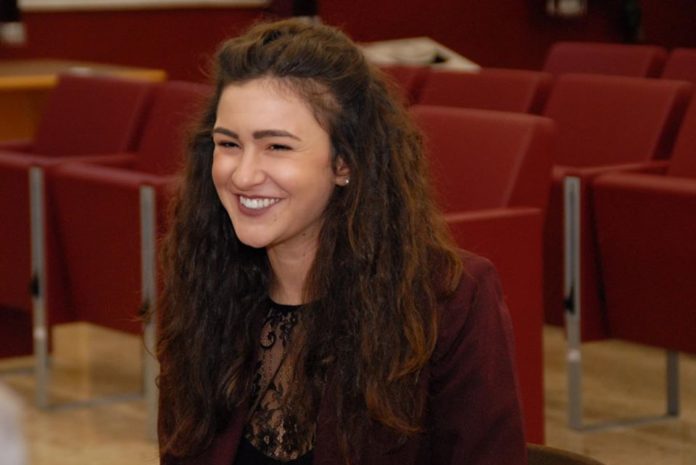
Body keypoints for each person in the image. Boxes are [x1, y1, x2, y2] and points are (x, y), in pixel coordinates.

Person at [157, 19, 526, 465]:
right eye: (229, 144)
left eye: (277, 147)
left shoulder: (449, 298)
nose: (243, 175)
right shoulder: (204, 280)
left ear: (344, 162)